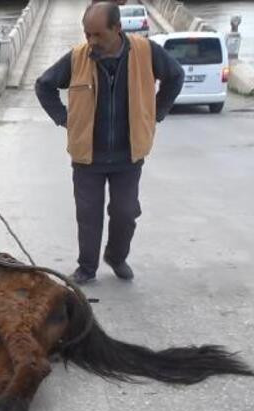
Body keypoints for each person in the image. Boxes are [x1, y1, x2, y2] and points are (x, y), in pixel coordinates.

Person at [35, 1, 184, 284]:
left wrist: (156, 112)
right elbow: (44, 85)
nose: (90, 41)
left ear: (117, 28)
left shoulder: (145, 52)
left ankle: (116, 257)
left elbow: (176, 76)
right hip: (87, 157)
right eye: (86, 34)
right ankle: (87, 267)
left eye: (97, 35)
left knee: (125, 213)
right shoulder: (78, 57)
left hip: (129, 155)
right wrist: (65, 119)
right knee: (88, 216)